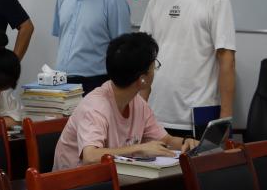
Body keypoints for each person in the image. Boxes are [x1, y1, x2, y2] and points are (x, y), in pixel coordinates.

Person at [140, 0, 235, 136]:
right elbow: (145, 56)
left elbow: (227, 60)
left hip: (198, 115)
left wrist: (225, 119)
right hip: (156, 113)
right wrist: (140, 105)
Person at [53, 32, 199, 170]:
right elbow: (90, 157)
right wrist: (139, 148)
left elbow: (165, 141)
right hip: (75, 182)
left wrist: (186, 143)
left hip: (113, 178)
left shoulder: (137, 103)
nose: (155, 71)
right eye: (153, 66)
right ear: (142, 79)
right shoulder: (95, 106)